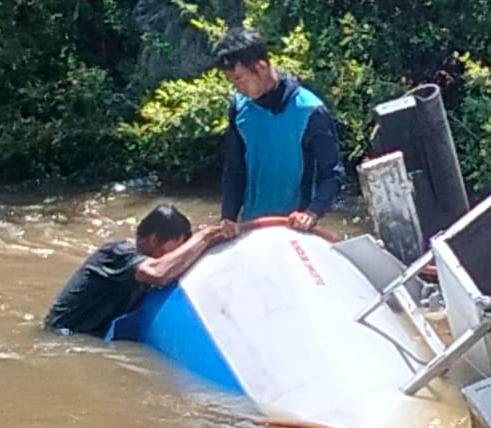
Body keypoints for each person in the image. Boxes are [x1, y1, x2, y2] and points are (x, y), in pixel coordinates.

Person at [213, 27, 344, 231]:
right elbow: (234, 170)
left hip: (294, 228)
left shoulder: (310, 110)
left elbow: (332, 175)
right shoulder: (239, 108)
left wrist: (311, 213)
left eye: (239, 79)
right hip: (251, 225)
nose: (237, 88)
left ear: (261, 67)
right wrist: (228, 217)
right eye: (231, 82)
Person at [44, 204, 234, 336]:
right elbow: (158, 274)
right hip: (62, 334)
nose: (179, 253)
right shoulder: (117, 251)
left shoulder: (138, 260)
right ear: (153, 239)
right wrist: (205, 236)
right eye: (177, 246)